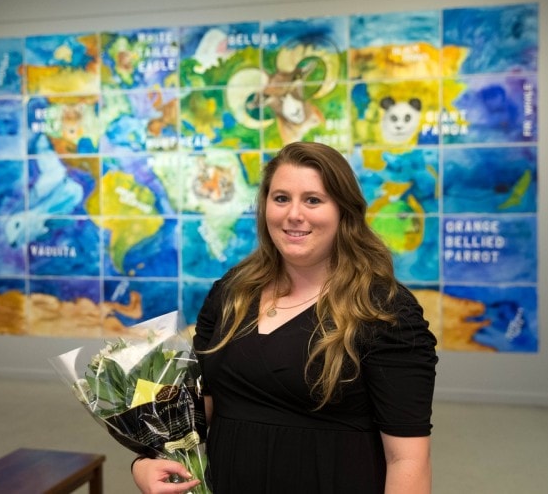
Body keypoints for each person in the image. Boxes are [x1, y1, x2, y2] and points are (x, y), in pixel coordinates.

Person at [132, 141, 438, 493]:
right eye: (280, 199)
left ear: (344, 211)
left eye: (313, 200)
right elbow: (200, 413)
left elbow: (408, 460)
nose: (294, 214)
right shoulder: (231, 294)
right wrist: (146, 460)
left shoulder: (383, 310)